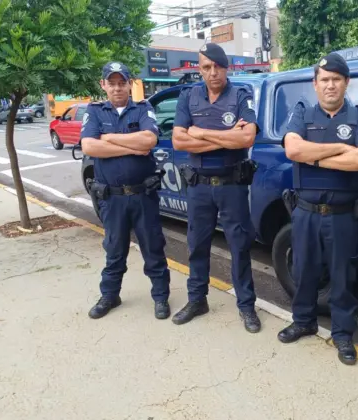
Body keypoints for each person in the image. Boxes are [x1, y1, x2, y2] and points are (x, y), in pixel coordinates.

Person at [278, 53, 358, 365]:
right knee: (303, 270)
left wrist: (313, 156)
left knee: (342, 276)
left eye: (336, 79)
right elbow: (293, 149)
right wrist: (337, 149)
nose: (330, 85)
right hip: (306, 212)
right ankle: (304, 321)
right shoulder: (301, 114)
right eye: (324, 80)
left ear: (346, 83)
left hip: (342, 214)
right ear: (315, 84)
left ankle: (343, 334)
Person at [171, 43, 261, 333]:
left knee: (240, 247)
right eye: (206, 67)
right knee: (197, 245)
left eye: (217, 67)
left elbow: (246, 139)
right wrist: (225, 135)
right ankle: (197, 300)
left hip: (231, 185)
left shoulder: (240, 96)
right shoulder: (189, 97)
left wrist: (200, 132)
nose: (212, 73)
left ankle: (246, 306)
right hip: (198, 186)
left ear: (226, 67)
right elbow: (179, 141)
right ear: (200, 68)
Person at [80, 61, 171, 320]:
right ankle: (110, 295)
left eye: (122, 83)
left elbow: (149, 140)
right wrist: (133, 147)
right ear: (103, 85)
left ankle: (161, 297)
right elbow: (89, 147)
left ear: (130, 85)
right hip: (113, 198)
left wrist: (108, 139)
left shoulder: (143, 108)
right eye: (112, 83)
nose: (118, 88)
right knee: (114, 250)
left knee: (153, 248)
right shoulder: (95, 111)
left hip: (143, 195)